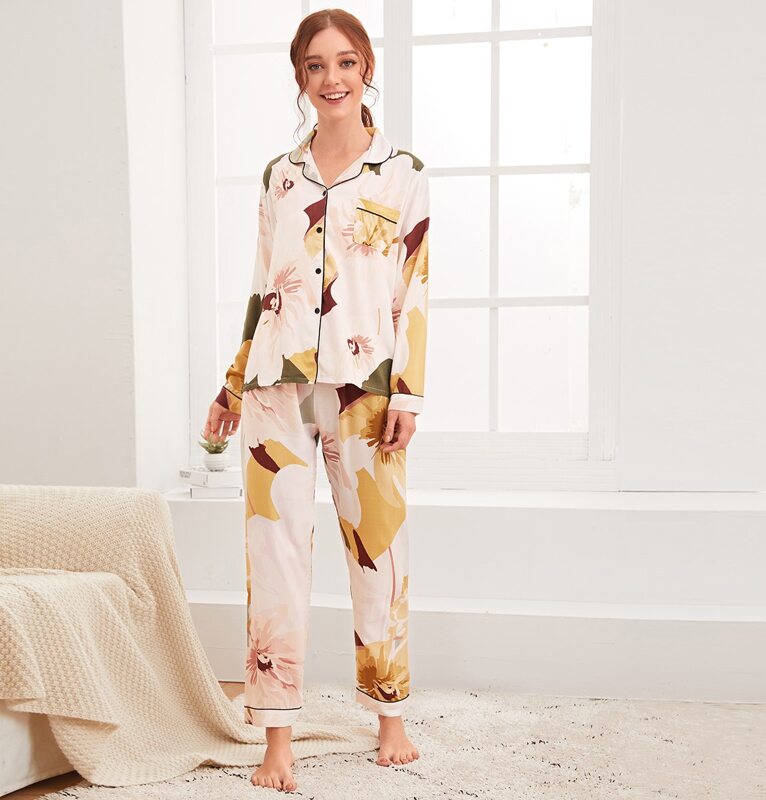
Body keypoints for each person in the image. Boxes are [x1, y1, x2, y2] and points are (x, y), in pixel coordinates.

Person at [202, 8, 429, 793]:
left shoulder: (402, 173)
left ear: (367, 68)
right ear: (300, 77)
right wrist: (232, 382)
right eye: (315, 66)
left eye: (345, 62)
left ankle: (390, 715)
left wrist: (410, 392)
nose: (332, 78)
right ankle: (277, 737)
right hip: (279, 389)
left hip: (365, 390)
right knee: (275, 555)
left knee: (378, 550)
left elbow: (414, 288)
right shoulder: (281, 175)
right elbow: (261, 286)